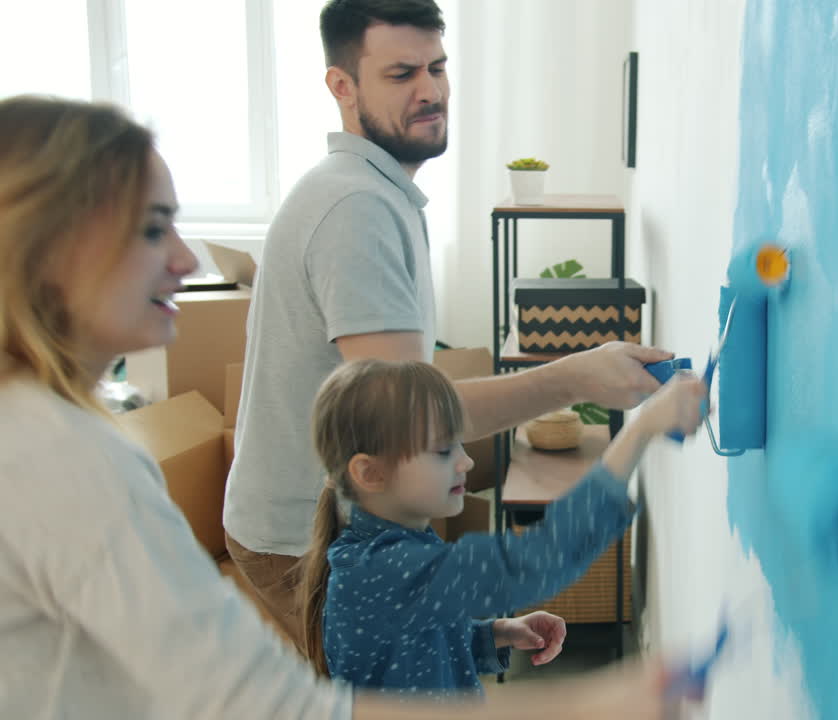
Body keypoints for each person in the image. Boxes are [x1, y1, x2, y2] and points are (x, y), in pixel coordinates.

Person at [0, 94, 676, 720]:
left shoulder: (380, 551)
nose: (183, 256)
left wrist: (482, 637)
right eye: (151, 231)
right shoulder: (62, 457)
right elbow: (272, 704)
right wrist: (589, 702)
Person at [223, 0, 672, 645]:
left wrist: (474, 635)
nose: (431, 91)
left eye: (437, 67)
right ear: (341, 86)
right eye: (402, 74)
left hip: (336, 529)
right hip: (307, 541)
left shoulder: (375, 192)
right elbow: (412, 422)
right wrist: (578, 377)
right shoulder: (356, 208)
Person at [297, 359, 705, 694]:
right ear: (370, 472)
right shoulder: (383, 568)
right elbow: (536, 560)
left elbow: (416, 650)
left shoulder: (394, 547)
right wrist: (641, 430)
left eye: (459, 443)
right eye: (443, 450)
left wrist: (495, 634)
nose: (465, 462)